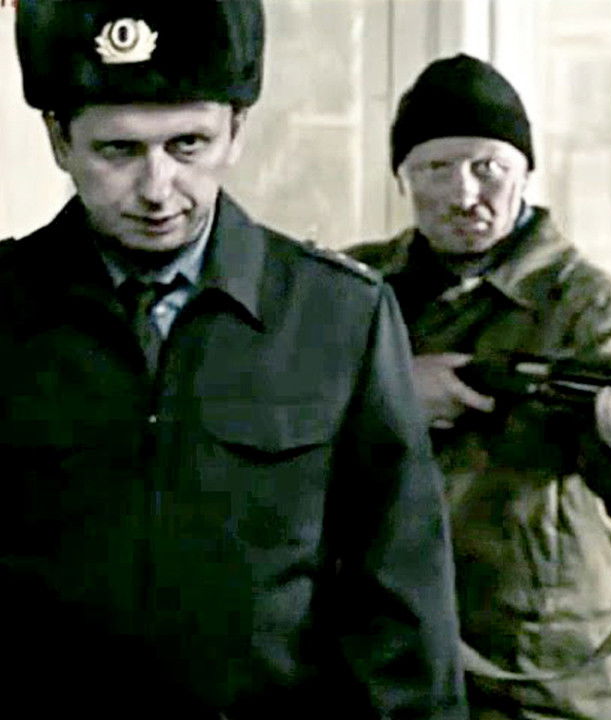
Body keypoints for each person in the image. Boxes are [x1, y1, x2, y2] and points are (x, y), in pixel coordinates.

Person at [0, 2, 465, 718]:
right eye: (118, 151)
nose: (157, 189)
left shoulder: (338, 315)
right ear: (59, 139)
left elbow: (402, 606)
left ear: (236, 132)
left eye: (188, 145)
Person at [346, 54, 611, 720]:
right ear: (401, 178)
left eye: (488, 167)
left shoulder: (592, 310)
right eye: (435, 169)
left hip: (535, 675)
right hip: (381, 660)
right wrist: (393, 394)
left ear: (526, 171)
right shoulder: (355, 290)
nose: (464, 194)